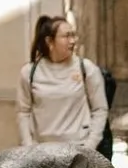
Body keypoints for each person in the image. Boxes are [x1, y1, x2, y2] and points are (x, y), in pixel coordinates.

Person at [16, 16, 110, 152]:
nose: (72, 41)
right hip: (41, 151)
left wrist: (90, 146)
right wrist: (28, 146)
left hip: (78, 148)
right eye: (66, 36)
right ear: (50, 41)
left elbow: (100, 109)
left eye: (73, 35)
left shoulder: (87, 69)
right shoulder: (29, 72)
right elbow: (23, 112)